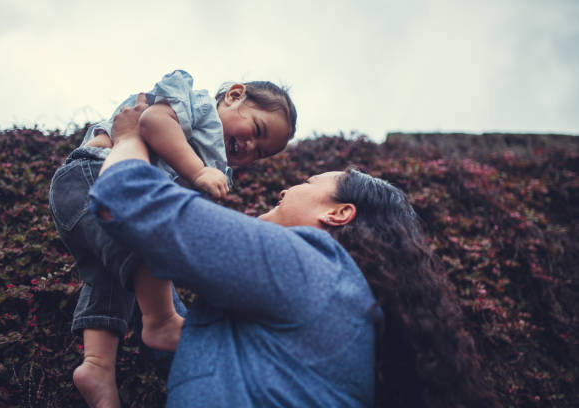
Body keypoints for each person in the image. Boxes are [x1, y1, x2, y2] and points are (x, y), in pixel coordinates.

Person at [85, 98, 498, 407]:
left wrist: (126, 138)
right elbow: (179, 332)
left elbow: (125, 198)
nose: (284, 189)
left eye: (308, 181)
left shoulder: (311, 267)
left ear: (338, 213)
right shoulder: (338, 306)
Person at [49, 71, 296, 408]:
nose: (250, 148)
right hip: (92, 174)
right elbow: (152, 122)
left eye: (261, 152)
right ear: (235, 95)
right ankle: (161, 320)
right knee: (150, 233)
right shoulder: (195, 104)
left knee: (107, 280)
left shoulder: (218, 169)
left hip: (79, 200)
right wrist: (197, 172)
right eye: (257, 130)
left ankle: (97, 367)